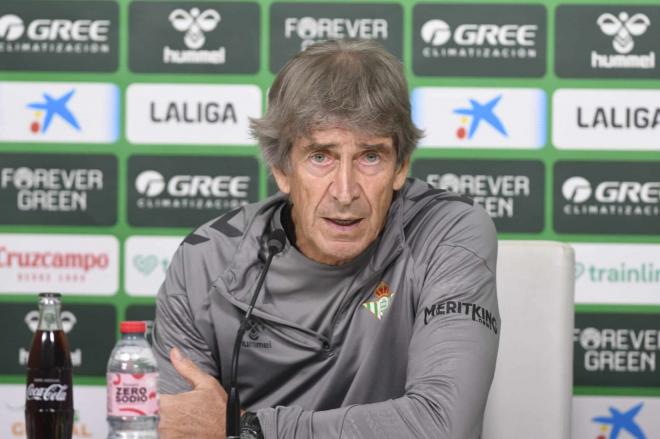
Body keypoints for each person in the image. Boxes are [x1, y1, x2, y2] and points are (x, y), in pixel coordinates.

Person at [154, 39, 500, 439]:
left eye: (371, 156)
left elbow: (443, 425)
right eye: (321, 156)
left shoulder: (448, 232)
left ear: (401, 167)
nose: (345, 191)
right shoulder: (207, 259)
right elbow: (182, 427)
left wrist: (249, 428)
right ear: (282, 169)